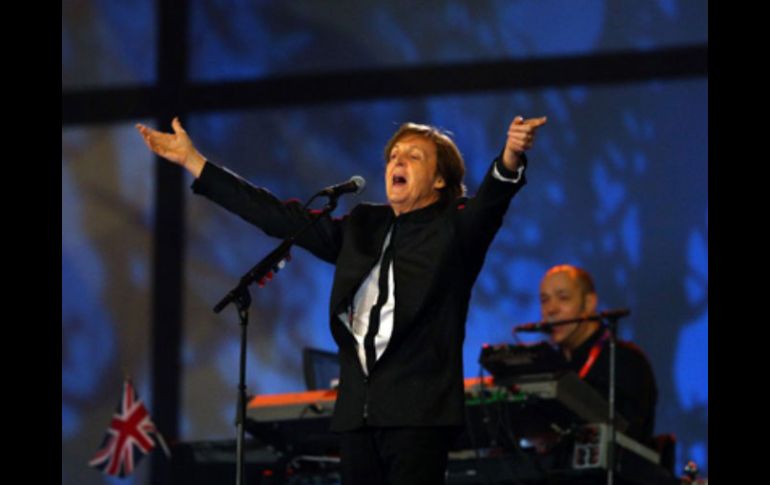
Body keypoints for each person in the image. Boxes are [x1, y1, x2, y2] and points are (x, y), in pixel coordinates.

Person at [137, 114, 547, 485]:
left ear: (440, 180)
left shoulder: (455, 230)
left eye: (414, 157)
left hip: (418, 415)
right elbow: (278, 216)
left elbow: (492, 201)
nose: (397, 162)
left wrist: (510, 156)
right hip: (356, 415)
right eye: (393, 156)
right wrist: (195, 162)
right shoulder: (363, 226)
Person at [538, 264, 658, 445]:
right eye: (545, 300)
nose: (551, 309)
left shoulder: (625, 361)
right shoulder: (546, 364)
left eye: (563, 298)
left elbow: (630, 437)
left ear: (589, 303)